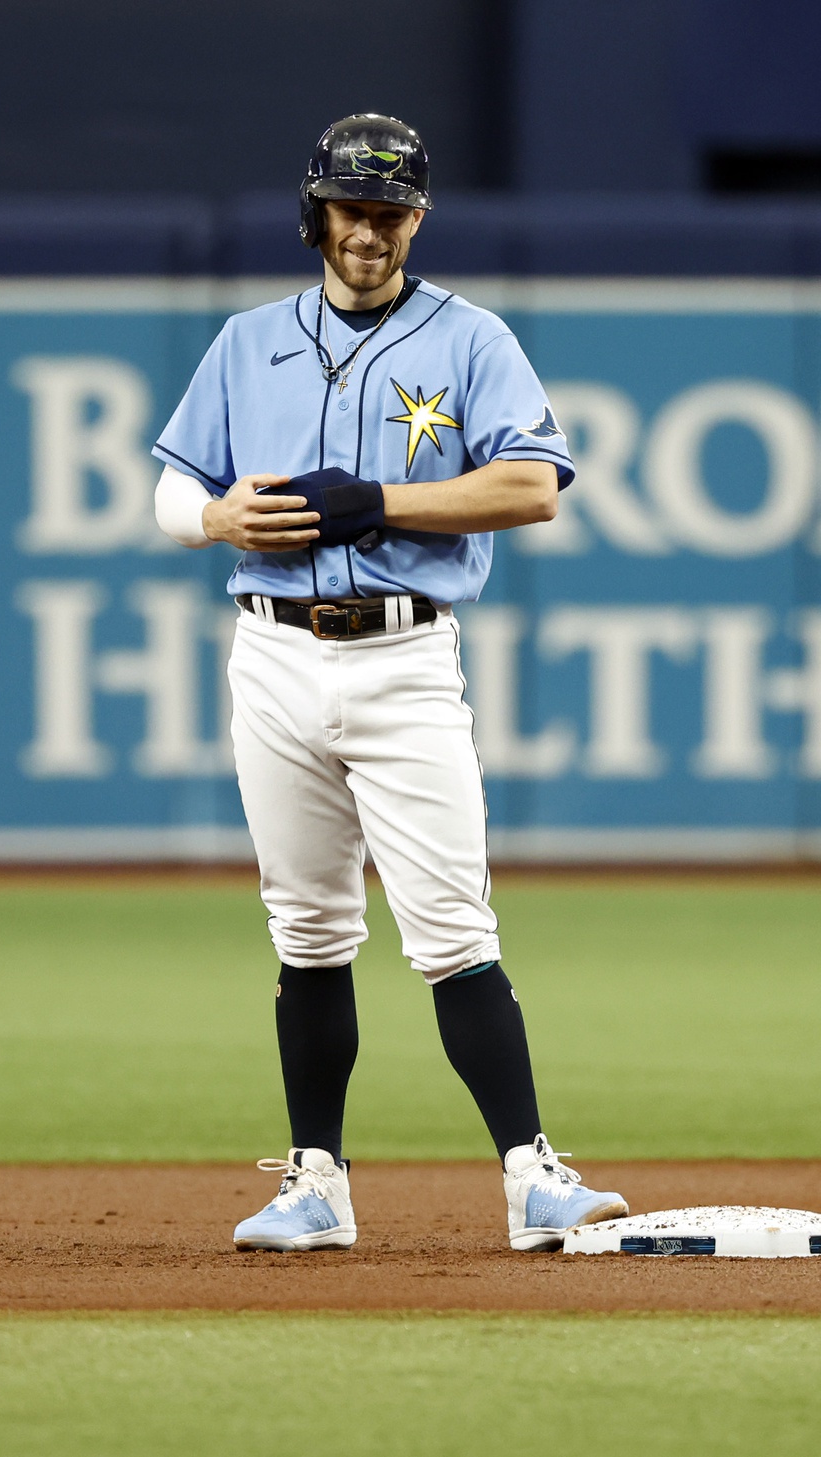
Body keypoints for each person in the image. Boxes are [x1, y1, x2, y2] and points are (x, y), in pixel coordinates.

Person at [152, 113, 628, 1253]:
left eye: (390, 209)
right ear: (316, 212)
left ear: (417, 217)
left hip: (405, 653)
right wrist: (214, 516)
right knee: (308, 926)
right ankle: (315, 1181)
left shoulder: (470, 338)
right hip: (270, 648)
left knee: (451, 922)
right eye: (350, 208)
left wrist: (381, 498)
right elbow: (171, 494)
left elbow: (531, 486)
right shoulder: (246, 340)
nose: (369, 230)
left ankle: (532, 1175)